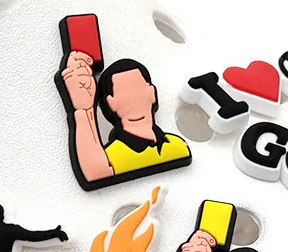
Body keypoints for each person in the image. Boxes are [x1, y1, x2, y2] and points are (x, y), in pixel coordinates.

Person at [59, 54, 190, 185]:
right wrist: (84, 110)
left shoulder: (176, 145)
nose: (134, 103)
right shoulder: (111, 158)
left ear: (152, 93)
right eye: (123, 96)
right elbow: (95, 172)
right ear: (111, 103)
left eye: (138, 92)